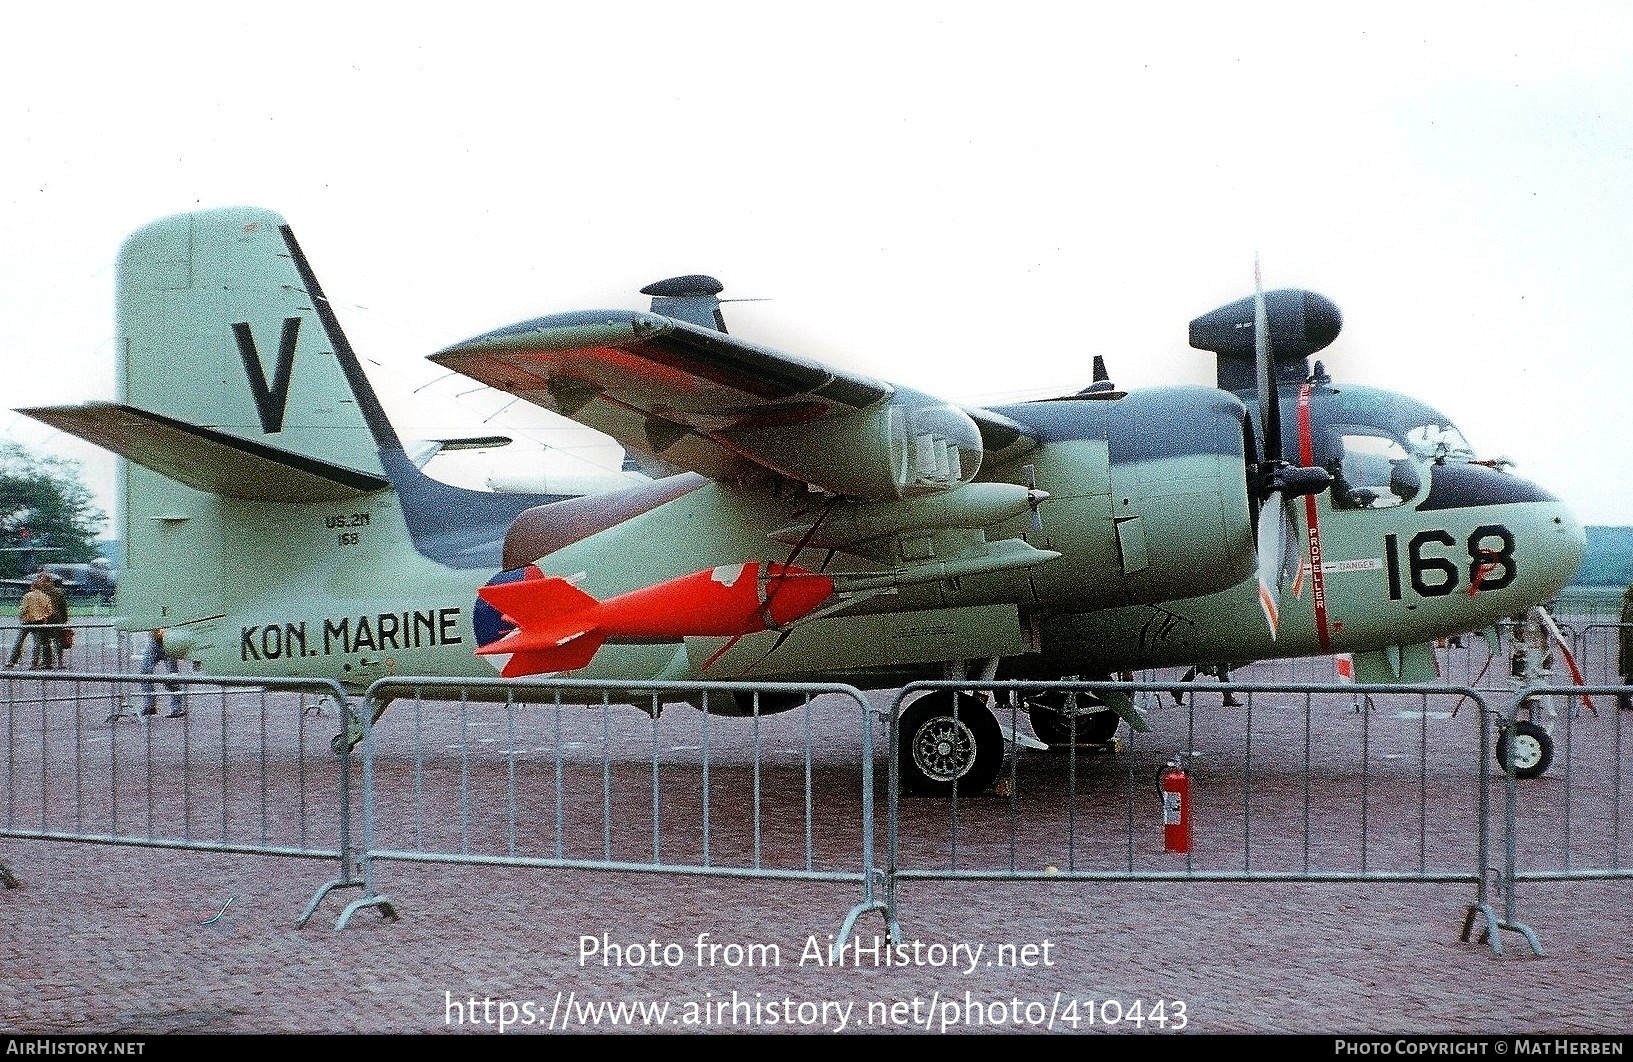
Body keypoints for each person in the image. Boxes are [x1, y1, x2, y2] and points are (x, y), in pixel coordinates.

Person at [6, 573, 57, 669]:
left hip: (27, 620)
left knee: (19, 641)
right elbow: (50, 611)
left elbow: (24, 609)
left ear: (32, 586)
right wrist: (44, 617)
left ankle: (12, 660)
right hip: (39, 621)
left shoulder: (28, 596)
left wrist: (21, 616)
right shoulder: (45, 596)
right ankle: (34, 664)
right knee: (37, 643)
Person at [139, 628, 186, 718]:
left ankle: (177, 708)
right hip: (155, 644)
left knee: (173, 677)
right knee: (144, 673)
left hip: (170, 644)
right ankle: (150, 705)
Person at [41, 573, 69, 670]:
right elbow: (63, 607)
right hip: (57, 619)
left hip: (45, 619)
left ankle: (47, 662)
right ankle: (60, 662)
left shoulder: (41, 592)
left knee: (45, 641)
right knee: (58, 640)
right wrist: (65, 620)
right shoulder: (59, 592)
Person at [1619, 583, 1633, 711]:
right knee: (1631, 676)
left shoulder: (1628, 605)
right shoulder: (1631, 607)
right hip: (1631, 647)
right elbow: (1628, 628)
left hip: (1629, 646)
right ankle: (1624, 699)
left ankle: (1624, 699)